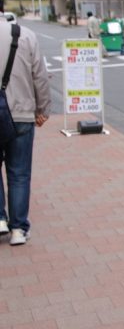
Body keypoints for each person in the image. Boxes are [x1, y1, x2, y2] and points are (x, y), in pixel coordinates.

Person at [0, 19, 51, 246]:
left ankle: (0, 219)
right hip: (21, 113)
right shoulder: (25, 35)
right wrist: (42, 109)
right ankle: (18, 229)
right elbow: (39, 76)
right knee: (19, 173)